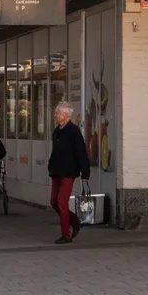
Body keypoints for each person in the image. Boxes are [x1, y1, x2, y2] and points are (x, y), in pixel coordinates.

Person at [47, 103, 90, 242]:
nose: (56, 115)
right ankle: (75, 222)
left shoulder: (74, 131)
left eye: (58, 113)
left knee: (62, 202)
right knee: (53, 201)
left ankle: (66, 234)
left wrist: (85, 173)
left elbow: (81, 152)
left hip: (68, 171)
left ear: (66, 115)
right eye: (56, 113)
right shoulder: (57, 131)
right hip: (56, 171)